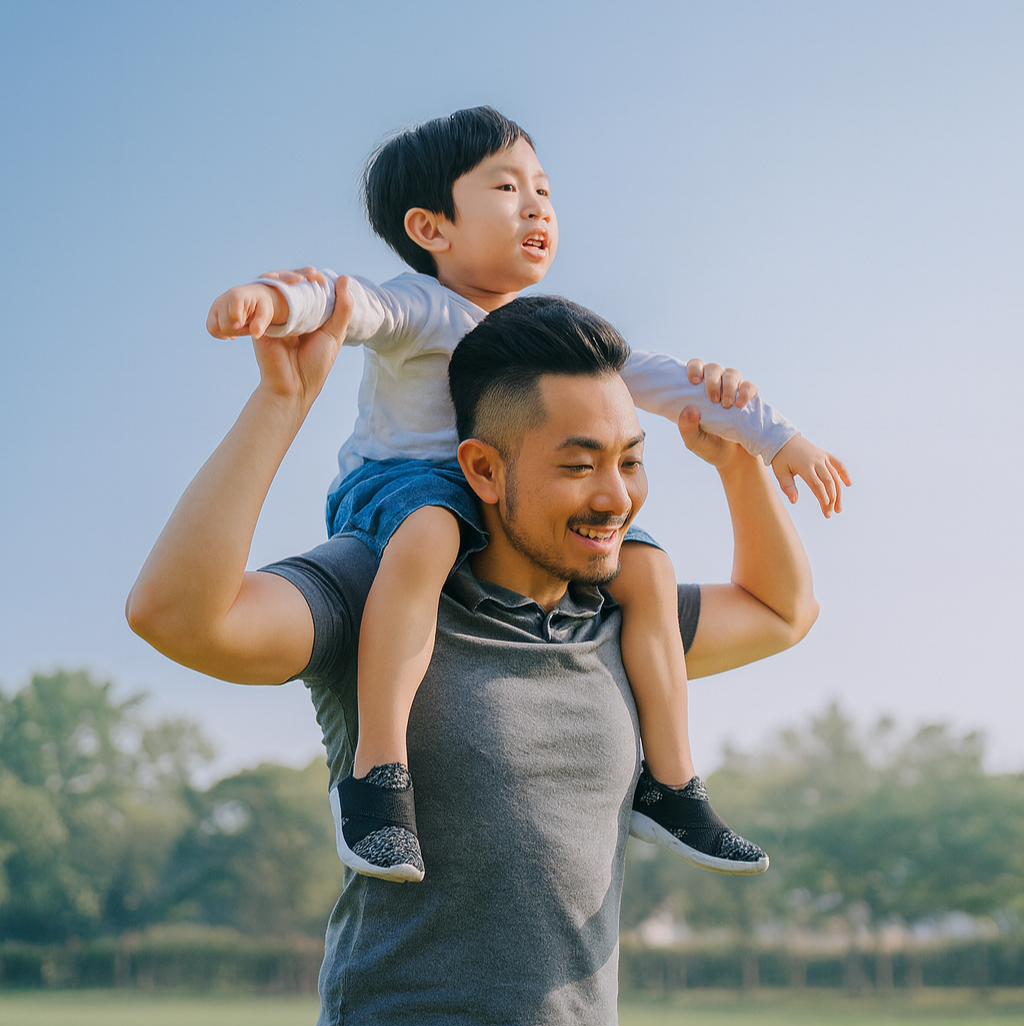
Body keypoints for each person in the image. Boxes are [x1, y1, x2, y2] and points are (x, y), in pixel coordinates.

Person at [127, 289, 820, 1026]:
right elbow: (176, 615)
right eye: (578, 463)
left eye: (630, 461)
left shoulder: (624, 618)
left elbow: (784, 610)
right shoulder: (377, 590)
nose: (615, 496)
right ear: (484, 469)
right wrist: (281, 403)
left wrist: (737, 462)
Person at [206, 105, 848, 884]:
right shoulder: (419, 306)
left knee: (647, 566)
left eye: (544, 189)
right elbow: (346, 304)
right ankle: (378, 777)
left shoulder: (551, 339)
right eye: (508, 188)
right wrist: (274, 304)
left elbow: (660, 378)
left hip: (505, 501)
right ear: (431, 228)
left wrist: (772, 440)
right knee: (432, 529)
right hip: (397, 491)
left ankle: (672, 784)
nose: (538, 206)